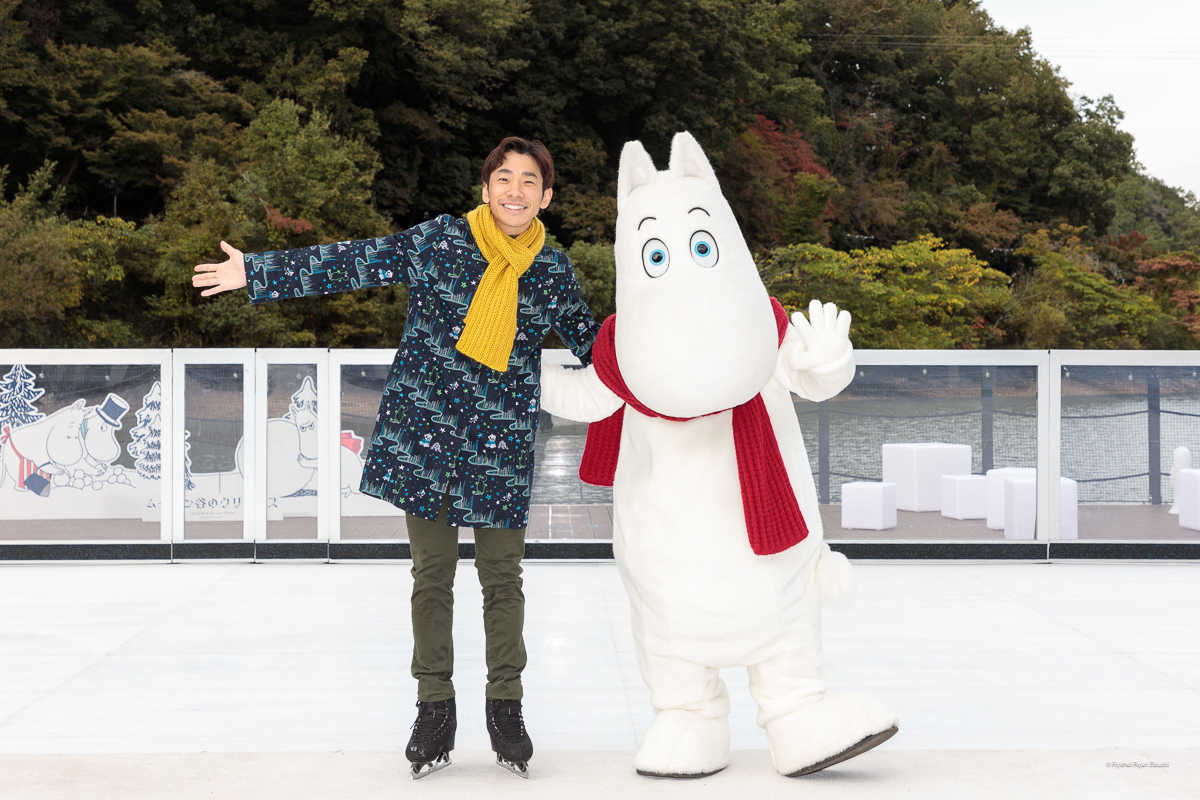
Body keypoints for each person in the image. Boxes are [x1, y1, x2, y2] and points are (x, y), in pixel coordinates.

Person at [192, 137, 599, 779]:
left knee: (502, 578)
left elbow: (595, 344)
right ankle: (434, 708)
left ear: (546, 197)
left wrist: (673, 363)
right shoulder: (442, 241)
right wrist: (259, 272)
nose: (515, 191)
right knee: (431, 576)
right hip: (427, 440)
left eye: (529, 181)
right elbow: (357, 261)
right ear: (485, 187)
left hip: (499, 446)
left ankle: (506, 707)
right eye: (504, 177)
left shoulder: (549, 268)